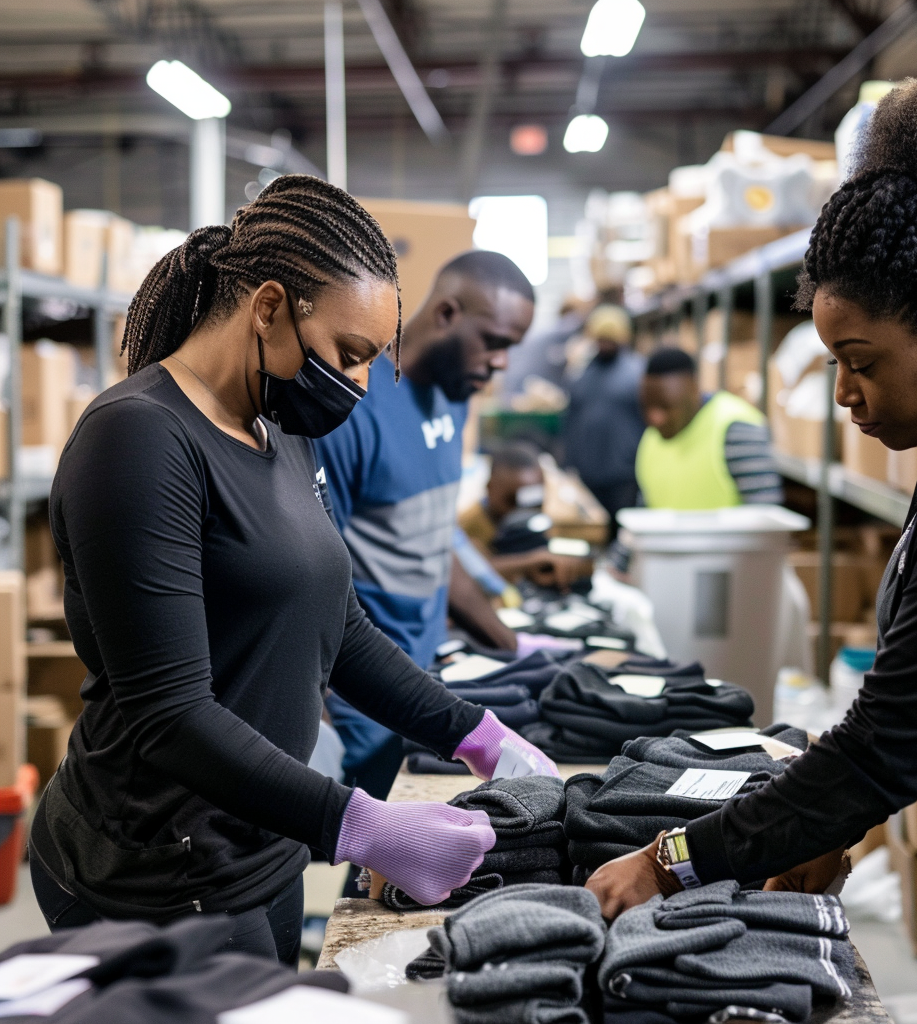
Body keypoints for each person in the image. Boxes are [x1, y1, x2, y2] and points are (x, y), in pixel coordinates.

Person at [28, 175, 556, 965]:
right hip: (156, 874)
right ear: (269, 308)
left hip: (262, 843)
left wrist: (473, 733)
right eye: (350, 354)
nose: (361, 384)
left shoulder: (279, 427)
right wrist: (360, 823)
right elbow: (169, 714)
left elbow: (334, 625)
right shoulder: (139, 442)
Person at [584, 76, 917, 1023]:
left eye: (861, 363)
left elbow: (881, 751)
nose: (842, 396)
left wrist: (670, 862)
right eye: (832, 364)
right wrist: (833, 821)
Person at [313, 251, 535, 809]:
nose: (502, 363)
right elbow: (307, 579)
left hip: (427, 686)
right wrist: (314, 722)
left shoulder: (452, 396)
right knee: (363, 872)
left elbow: (435, 545)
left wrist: (514, 647)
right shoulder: (353, 409)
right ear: (445, 313)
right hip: (361, 701)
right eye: (494, 341)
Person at [636, 347, 783, 509]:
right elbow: (645, 509)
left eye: (666, 407)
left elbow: (765, 517)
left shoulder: (735, 429)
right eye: (648, 406)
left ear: (694, 389)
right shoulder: (651, 439)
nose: (655, 418)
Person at [459, 441, 590, 591]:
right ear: (490, 488)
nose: (521, 513)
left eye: (532, 503)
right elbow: (473, 570)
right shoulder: (468, 526)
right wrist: (529, 562)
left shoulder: (536, 521)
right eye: (511, 501)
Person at [563, 305, 647, 529]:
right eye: (600, 339)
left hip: (624, 474)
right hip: (588, 473)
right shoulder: (583, 373)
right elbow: (572, 417)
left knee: (622, 530)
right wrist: (569, 462)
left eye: (611, 339)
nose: (605, 344)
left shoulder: (638, 372)